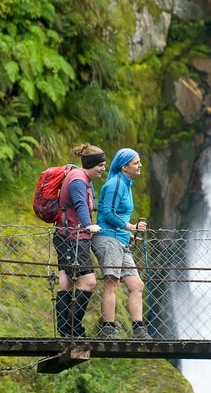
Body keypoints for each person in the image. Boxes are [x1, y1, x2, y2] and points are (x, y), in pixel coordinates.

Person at [94, 148, 151, 339]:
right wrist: (131, 227)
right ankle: (108, 328)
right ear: (124, 167)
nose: (140, 165)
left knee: (136, 285)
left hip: (121, 240)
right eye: (136, 163)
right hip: (108, 239)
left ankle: (139, 329)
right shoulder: (115, 184)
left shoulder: (127, 184)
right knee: (112, 284)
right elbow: (108, 213)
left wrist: (130, 235)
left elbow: (117, 213)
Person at [54, 144, 105, 338]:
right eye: (100, 165)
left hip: (67, 236)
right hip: (72, 238)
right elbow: (80, 204)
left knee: (66, 282)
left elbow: (88, 205)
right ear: (91, 164)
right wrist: (87, 224)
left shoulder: (84, 180)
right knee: (89, 282)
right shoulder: (77, 180)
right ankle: (73, 329)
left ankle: (66, 331)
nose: (103, 169)